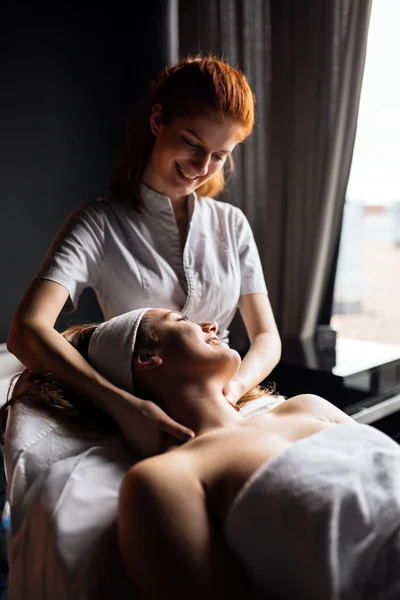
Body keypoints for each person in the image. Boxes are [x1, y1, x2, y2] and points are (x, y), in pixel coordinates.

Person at [5, 309, 400, 599]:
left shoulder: (307, 406)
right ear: (146, 359)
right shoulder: (169, 478)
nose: (210, 324)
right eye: (181, 321)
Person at [6, 55, 281, 457]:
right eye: (191, 143)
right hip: (145, 414)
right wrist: (122, 405)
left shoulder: (231, 224)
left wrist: (231, 391)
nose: (202, 167)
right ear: (157, 121)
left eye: (219, 155)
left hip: (230, 402)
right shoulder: (98, 223)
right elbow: (26, 331)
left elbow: (266, 336)